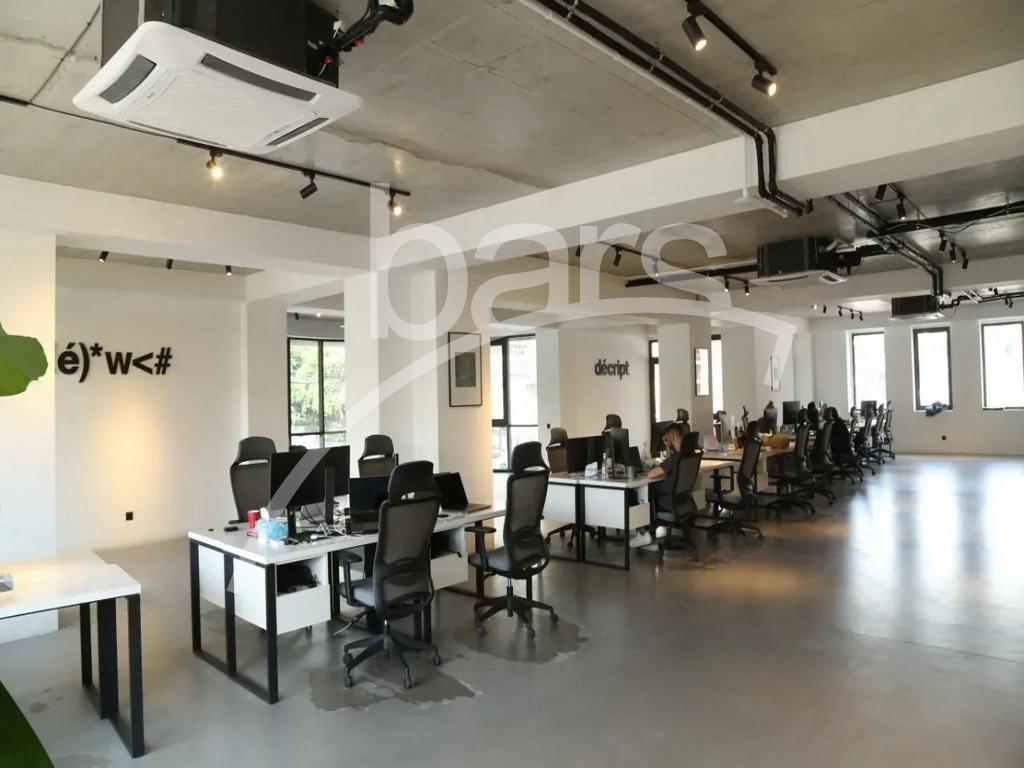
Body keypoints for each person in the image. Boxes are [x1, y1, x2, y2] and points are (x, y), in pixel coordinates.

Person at [629, 423, 687, 548]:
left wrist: (643, 473)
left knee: (638, 494)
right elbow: (669, 464)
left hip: (667, 501)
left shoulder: (675, 458)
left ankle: (643, 534)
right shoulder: (685, 456)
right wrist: (668, 447)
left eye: (667, 437)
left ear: (672, 437)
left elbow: (651, 475)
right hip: (681, 500)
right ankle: (648, 535)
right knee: (650, 490)